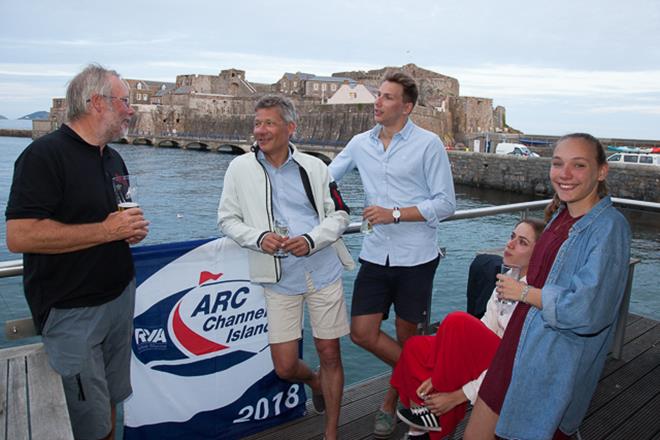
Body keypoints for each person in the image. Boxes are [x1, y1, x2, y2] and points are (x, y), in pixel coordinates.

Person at [5, 64, 149, 440]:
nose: (131, 110)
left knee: (112, 402)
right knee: (87, 419)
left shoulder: (113, 158)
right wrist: (105, 231)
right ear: (97, 102)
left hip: (119, 298)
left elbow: (115, 221)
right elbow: (20, 236)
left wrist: (126, 232)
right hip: (73, 311)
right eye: (125, 101)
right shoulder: (43, 156)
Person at [464, 133, 632, 440]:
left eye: (578, 165)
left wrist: (525, 293)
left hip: (551, 359)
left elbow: (589, 310)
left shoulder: (609, 228)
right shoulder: (561, 214)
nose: (565, 174)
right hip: (520, 343)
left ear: (602, 171)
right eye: (557, 164)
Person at [217, 95, 353, 440]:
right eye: (257, 123)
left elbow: (340, 213)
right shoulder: (239, 168)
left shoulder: (315, 167)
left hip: (322, 270)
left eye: (268, 123)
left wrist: (312, 239)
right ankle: (314, 381)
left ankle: (332, 432)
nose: (260, 130)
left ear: (290, 128)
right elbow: (226, 220)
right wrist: (257, 237)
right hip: (277, 277)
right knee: (285, 365)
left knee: (329, 352)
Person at [328, 71, 456, 437]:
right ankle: (427, 382)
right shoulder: (359, 143)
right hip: (375, 252)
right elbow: (323, 178)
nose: (377, 102)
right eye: (378, 95)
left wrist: (395, 213)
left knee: (406, 338)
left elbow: (445, 203)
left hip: (416, 256)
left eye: (386, 97)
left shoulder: (428, 144)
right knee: (362, 333)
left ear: (407, 106)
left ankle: (389, 403)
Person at [391, 218, 545, 440]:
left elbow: (513, 362)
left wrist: (455, 395)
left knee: (456, 322)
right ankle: (421, 428)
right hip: (492, 355)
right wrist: (447, 361)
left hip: (511, 367)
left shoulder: (534, 295)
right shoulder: (507, 279)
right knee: (416, 346)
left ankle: (436, 422)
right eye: (512, 236)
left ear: (538, 255)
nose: (510, 244)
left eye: (522, 242)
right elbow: (484, 328)